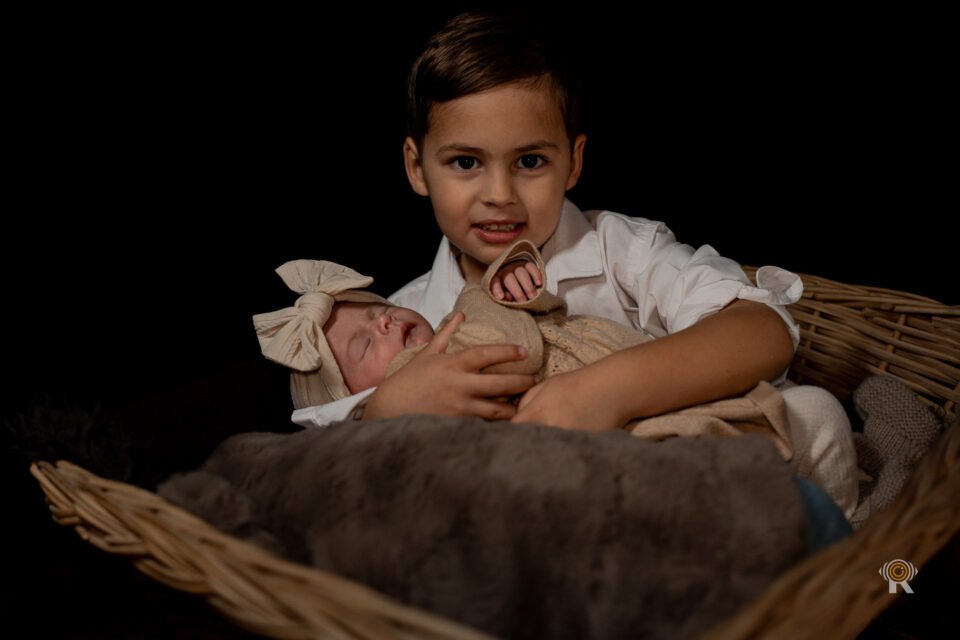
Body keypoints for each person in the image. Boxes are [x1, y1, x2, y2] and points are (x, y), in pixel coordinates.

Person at [263, 10, 860, 515]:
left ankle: (857, 569)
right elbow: (323, 464)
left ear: (573, 163)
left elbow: (763, 332)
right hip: (565, 514)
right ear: (418, 169)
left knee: (815, 412)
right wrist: (388, 412)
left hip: (690, 457)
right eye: (465, 163)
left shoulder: (618, 249)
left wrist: (605, 391)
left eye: (529, 162)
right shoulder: (412, 313)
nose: (499, 193)